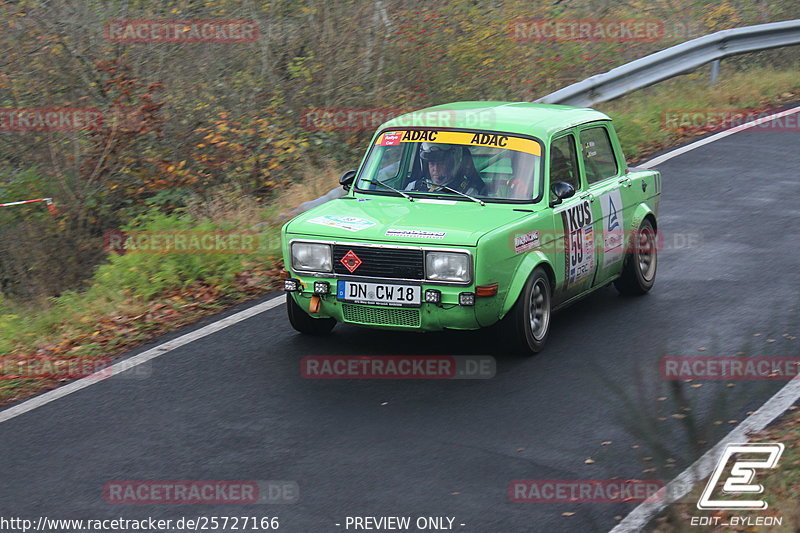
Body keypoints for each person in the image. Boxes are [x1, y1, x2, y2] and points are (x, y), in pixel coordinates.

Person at [405, 143, 486, 196]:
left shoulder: (467, 192)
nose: (435, 169)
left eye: (440, 164)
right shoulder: (413, 186)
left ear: (452, 164)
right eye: (432, 164)